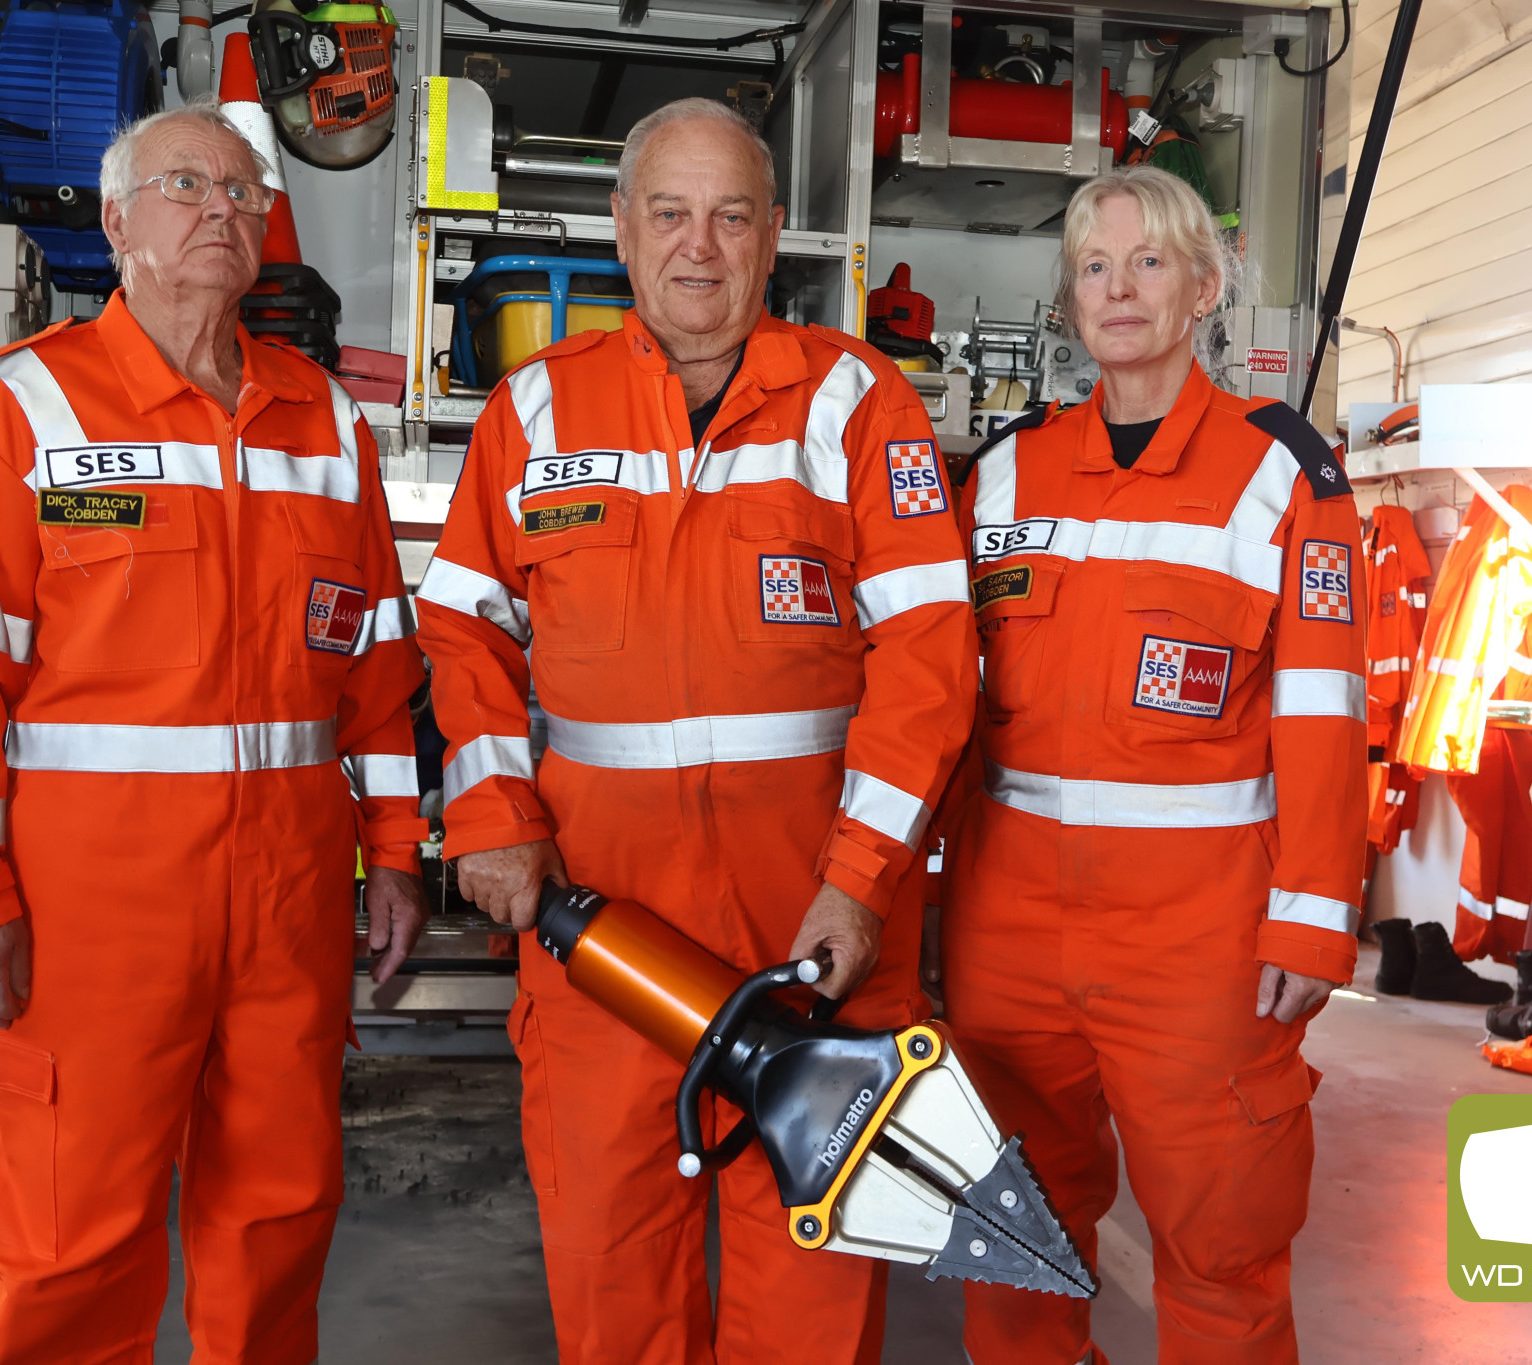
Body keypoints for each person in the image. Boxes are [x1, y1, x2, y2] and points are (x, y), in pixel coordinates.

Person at [415, 98, 976, 1364]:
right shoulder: (535, 412)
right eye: (668, 213)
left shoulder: (855, 403)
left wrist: (859, 883)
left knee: (811, 1279)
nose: (698, 247)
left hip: (815, 924)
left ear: (773, 234)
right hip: (604, 921)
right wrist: (495, 814)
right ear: (620, 230)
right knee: (613, 1270)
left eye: (730, 215)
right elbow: (461, 632)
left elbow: (931, 657)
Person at [0, 101, 430, 1364]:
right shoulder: (22, 407)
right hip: (92, 910)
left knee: (280, 1215)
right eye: (187, 185)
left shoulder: (324, 426)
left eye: (243, 194)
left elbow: (375, 666)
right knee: (77, 1230)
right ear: (118, 222)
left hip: (288, 904)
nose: (222, 212)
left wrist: (396, 848)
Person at [943, 164, 1368, 1365]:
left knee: (1220, 1240)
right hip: (1007, 921)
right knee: (1008, 1226)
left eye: (1146, 263)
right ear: (1069, 299)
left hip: (1199, 935)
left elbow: (1326, 710)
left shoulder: (1282, 472)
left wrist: (1311, 917)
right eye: (1093, 265)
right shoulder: (1005, 473)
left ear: (1202, 288)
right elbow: (937, 697)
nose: (1117, 288)